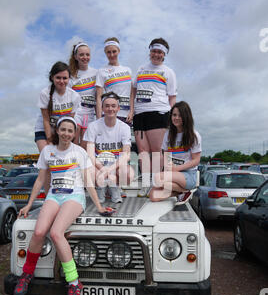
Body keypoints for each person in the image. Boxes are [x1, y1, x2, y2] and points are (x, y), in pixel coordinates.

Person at [14, 117, 108, 295]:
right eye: (63, 129)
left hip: (74, 197)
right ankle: (27, 273)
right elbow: (40, 180)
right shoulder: (48, 151)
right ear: (57, 130)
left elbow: (88, 182)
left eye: (70, 131)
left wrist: (98, 206)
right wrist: (29, 205)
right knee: (39, 232)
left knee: (56, 233)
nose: (66, 133)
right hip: (54, 196)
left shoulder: (79, 152)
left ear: (74, 134)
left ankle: (74, 283)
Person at [129, 38, 177, 197]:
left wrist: (170, 115)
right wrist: (132, 110)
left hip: (159, 112)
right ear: (150, 51)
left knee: (158, 152)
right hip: (140, 113)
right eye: (154, 51)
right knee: (143, 151)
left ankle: (157, 183)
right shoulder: (141, 69)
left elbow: (172, 97)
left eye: (160, 52)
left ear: (164, 55)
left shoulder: (168, 72)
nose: (156, 54)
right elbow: (133, 89)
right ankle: (146, 184)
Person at [34, 61, 81, 192]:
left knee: (65, 163)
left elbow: (70, 122)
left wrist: (69, 142)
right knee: (49, 163)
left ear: (69, 79)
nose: (61, 81)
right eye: (58, 78)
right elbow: (45, 119)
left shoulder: (74, 96)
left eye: (65, 78)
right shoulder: (45, 93)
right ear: (52, 78)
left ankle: (64, 192)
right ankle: (49, 195)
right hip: (44, 131)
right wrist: (49, 140)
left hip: (62, 132)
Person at [83, 92, 134, 203]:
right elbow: (90, 155)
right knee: (88, 173)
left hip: (114, 166)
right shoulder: (93, 126)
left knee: (128, 174)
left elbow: (126, 155)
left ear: (118, 108)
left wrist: (109, 170)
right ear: (102, 108)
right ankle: (101, 188)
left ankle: (115, 187)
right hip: (99, 165)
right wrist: (103, 170)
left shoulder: (124, 127)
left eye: (113, 106)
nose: (110, 109)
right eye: (107, 106)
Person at [149, 101, 201, 204]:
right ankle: (181, 192)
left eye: (180, 115)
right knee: (153, 196)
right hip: (173, 173)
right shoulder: (168, 134)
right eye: (174, 115)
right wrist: (169, 166)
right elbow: (166, 155)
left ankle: (185, 189)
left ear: (186, 117)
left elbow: (196, 160)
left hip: (188, 175)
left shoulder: (194, 135)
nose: (176, 118)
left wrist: (176, 169)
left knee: (158, 178)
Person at [95, 37, 133, 124]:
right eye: (108, 52)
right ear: (105, 53)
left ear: (118, 51)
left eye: (114, 51)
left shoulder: (128, 70)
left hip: (125, 116)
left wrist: (131, 111)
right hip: (109, 114)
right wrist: (99, 118)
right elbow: (98, 97)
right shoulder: (101, 71)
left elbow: (131, 94)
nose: (112, 55)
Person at [68, 42, 97, 148]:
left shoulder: (96, 72)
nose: (85, 57)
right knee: (73, 145)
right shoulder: (70, 75)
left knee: (86, 148)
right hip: (76, 113)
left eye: (87, 54)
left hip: (90, 114)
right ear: (75, 56)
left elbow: (99, 96)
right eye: (81, 55)